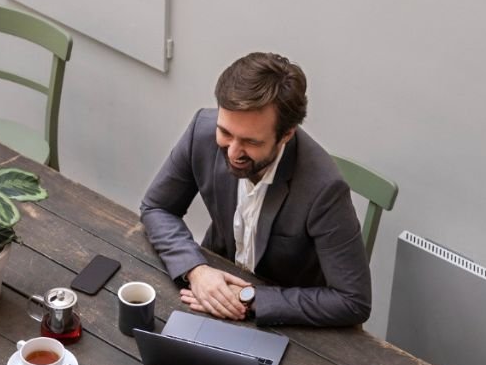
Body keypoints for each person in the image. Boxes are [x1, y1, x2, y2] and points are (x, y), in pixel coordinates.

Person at [140, 51, 372, 327]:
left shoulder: (325, 189)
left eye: (251, 142)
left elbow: (353, 301)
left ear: (286, 134)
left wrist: (250, 298)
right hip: (213, 285)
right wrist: (196, 270)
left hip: (287, 317)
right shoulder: (201, 131)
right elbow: (157, 207)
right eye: (226, 133)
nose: (232, 153)